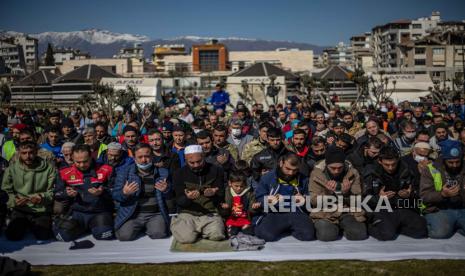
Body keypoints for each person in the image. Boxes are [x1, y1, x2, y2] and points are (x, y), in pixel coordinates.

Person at [363, 146, 427, 241]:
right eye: (387, 164)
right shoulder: (371, 172)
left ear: (398, 160)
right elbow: (364, 200)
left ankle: (396, 227)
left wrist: (409, 194)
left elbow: (418, 193)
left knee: (422, 231)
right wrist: (379, 198)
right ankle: (371, 226)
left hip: (403, 207)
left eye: (393, 164)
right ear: (380, 161)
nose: (391, 167)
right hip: (382, 209)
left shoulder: (407, 169)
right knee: (386, 235)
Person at [54, 145, 115, 241]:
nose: (82, 165)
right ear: (72, 158)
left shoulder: (107, 169)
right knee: (63, 236)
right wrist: (66, 193)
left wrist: (102, 192)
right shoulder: (64, 173)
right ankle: (81, 227)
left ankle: (95, 227)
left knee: (105, 235)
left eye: (85, 161)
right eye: (78, 162)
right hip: (78, 212)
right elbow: (56, 193)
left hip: (99, 211)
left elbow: (115, 191)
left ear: (91, 157)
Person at [113, 143, 171, 241]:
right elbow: (115, 195)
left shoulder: (162, 172)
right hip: (132, 214)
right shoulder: (124, 173)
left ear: (152, 156)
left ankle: (150, 227)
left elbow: (171, 196)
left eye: (147, 156)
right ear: (134, 158)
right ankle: (140, 227)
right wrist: (124, 193)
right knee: (124, 236)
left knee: (159, 234)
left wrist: (166, 190)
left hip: (155, 214)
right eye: (140, 157)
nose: (144, 160)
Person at [309, 146, 367, 241]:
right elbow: (313, 201)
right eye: (333, 168)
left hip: (347, 211)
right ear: (327, 164)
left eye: (340, 168)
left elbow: (358, 200)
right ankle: (334, 228)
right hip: (324, 212)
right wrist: (328, 194)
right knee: (326, 236)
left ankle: (344, 227)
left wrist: (347, 194)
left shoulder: (353, 173)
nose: (336, 171)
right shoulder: (317, 173)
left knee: (359, 234)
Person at [170, 145, 226, 244]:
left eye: (199, 161)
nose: (196, 165)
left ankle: (197, 230)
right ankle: (190, 228)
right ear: (186, 160)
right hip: (188, 213)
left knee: (217, 235)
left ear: (204, 157)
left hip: (210, 213)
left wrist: (213, 193)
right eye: (192, 162)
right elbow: (178, 200)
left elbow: (221, 195)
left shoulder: (216, 170)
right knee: (187, 239)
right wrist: (187, 198)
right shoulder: (179, 173)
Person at [254, 153, 315, 241]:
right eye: (288, 169)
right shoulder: (267, 178)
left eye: (295, 170)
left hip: (296, 212)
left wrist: (304, 200)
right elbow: (259, 197)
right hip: (275, 212)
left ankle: (288, 228)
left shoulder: (303, 179)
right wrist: (269, 200)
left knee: (308, 235)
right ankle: (280, 228)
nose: (291, 173)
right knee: (266, 235)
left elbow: (310, 198)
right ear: (281, 163)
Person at [2, 141, 56, 240]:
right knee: (12, 236)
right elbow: (5, 190)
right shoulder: (12, 169)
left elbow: (52, 190)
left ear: (36, 152)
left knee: (43, 236)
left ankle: (34, 224)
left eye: (31, 152)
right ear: (19, 153)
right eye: (24, 153)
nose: (28, 156)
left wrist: (42, 197)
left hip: (41, 209)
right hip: (20, 208)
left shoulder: (49, 168)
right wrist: (14, 200)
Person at [420, 139, 465, 238]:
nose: (455, 165)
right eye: (451, 162)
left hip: (462, 207)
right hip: (439, 209)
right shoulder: (430, 169)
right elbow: (424, 196)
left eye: (458, 162)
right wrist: (442, 194)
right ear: (444, 159)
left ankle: (456, 225)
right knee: (440, 233)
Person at [220, 171, 260, 237]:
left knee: (249, 232)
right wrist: (225, 207)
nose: (239, 188)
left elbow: (251, 209)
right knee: (231, 233)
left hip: (245, 218)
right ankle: (233, 228)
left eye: (241, 186)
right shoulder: (226, 192)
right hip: (231, 219)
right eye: (236, 186)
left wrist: (254, 207)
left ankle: (245, 227)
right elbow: (222, 207)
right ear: (230, 183)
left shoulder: (249, 193)